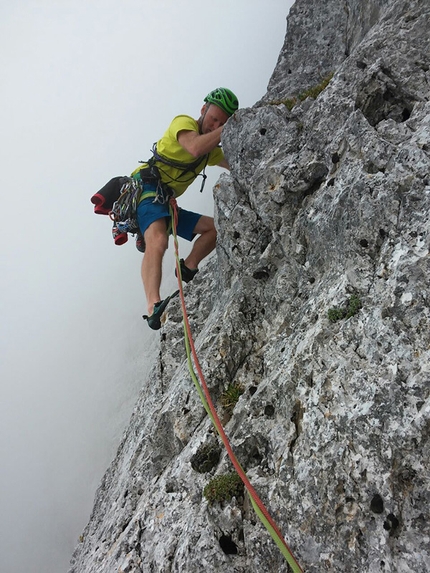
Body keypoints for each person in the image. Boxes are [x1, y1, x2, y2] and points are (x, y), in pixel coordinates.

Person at [133, 87, 239, 330]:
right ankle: (153, 306)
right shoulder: (184, 124)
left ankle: (187, 266)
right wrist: (229, 128)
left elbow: (233, 163)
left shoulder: (210, 151)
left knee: (215, 228)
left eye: (223, 122)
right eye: (214, 118)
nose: (216, 126)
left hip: (166, 203)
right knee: (158, 240)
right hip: (146, 192)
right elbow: (194, 147)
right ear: (203, 110)